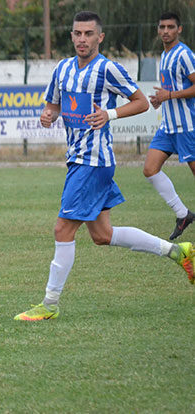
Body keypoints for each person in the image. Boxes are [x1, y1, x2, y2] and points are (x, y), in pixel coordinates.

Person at [15, 11, 195, 322]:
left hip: (94, 161)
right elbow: (54, 105)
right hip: (78, 159)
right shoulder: (63, 69)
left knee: (62, 228)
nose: (81, 39)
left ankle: (50, 303)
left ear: (100, 37)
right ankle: (179, 252)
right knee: (102, 235)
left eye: (88, 34)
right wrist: (49, 115)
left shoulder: (107, 68)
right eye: (77, 33)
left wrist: (109, 115)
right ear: (71, 36)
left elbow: (140, 101)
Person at [145, 11, 195, 240]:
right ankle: (183, 214)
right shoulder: (164, 55)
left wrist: (170, 95)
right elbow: (169, 91)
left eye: (170, 27)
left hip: (187, 126)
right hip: (169, 126)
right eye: (162, 27)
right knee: (150, 169)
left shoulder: (184, 54)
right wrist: (160, 99)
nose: (166, 31)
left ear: (179, 29)